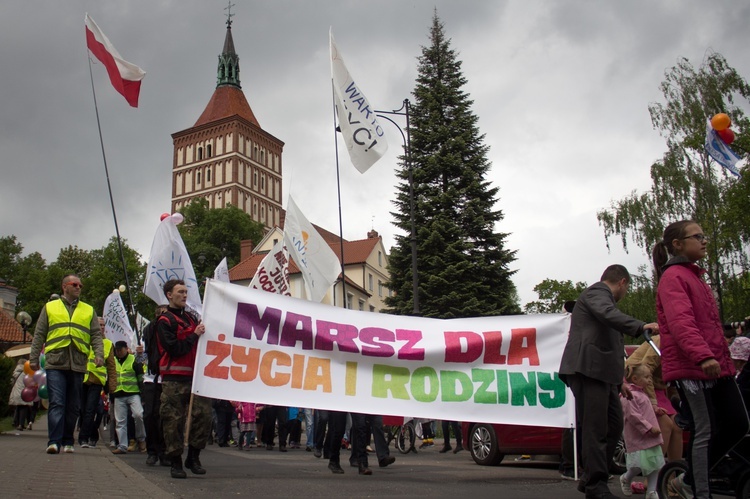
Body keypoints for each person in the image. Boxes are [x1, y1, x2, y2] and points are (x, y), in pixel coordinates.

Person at [653, 220, 750, 499]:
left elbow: (709, 325)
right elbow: (681, 323)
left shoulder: (696, 277)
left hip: (717, 365)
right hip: (694, 367)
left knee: (738, 423)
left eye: (703, 236)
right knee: (704, 430)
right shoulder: (673, 278)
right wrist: (703, 355)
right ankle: (698, 489)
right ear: (678, 245)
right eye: (698, 236)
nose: (704, 241)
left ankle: (689, 478)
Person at [559, 264, 658, 499]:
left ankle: (591, 476)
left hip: (604, 375)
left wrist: (619, 382)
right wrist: (640, 326)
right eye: (627, 288)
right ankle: (595, 486)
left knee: (614, 425)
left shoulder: (606, 305)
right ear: (622, 282)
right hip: (588, 370)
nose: (626, 293)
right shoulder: (597, 294)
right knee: (596, 429)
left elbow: (609, 346)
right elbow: (608, 315)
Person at [29, 274, 104, 454]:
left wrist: (98, 354)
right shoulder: (50, 307)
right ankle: (54, 442)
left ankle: (68, 440)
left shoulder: (88, 310)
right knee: (57, 402)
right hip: (55, 362)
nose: (79, 287)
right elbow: (39, 334)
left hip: (78, 363)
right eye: (74, 284)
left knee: (73, 405)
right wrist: (33, 359)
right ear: (64, 287)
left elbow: (96, 335)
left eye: (80, 285)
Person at [157, 279, 212, 479]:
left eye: (186, 292)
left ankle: (194, 457)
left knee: (204, 416)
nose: (185, 295)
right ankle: (176, 461)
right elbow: (174, 348)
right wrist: (194, 335)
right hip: (173, 379)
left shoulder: (191, 318)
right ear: (169, 295)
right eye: (180, 292)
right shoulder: (165, 321)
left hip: (195, 377)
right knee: (173, 421)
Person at [625, 335, 683, 461]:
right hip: (641, 383)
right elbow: (646, 369)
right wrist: (653, 403)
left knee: (677, 426)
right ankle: (654, 473)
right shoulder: (661, 341)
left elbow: (673, 375)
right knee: (666, 425)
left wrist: (675, 399)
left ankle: (672, 473)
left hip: (658, 386)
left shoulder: (683, 345)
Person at [619, 364, 664, 499]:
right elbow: (633, 415)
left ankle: (651, 491)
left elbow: (644, 411)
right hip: (639, 435)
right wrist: (649, 428)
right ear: (635, 378)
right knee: (638, 465)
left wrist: (656, 410)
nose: (649, 380)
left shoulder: (642, 394)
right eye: (646, 377)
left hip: (650, 435)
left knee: (655, 464)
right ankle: (626, 478)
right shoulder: (629, 395)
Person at [79, 317, 117, 448]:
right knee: (83, 411)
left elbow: (111, 367)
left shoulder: (107, 344)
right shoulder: (85, 339)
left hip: (97, 382)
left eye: (103, 325)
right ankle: (93, 435)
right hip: (83, 380)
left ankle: (83, 439)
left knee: (90, 410)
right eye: (99, 325)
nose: (101, 327)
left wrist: (112, 385)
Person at [140, 305, 169, 466]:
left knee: (164, 417)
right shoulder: (148, 331)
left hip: (167, 378)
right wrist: (139, 354)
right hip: (151, 379)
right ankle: (152, 450)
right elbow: (141, 359)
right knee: (149, 415)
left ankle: (164, 451)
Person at [111, 341, 146, 454]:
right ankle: (122, 446)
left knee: (138, 415)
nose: (119, 352)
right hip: (118, 394)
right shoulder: (113, 361)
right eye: (117, 350)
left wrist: (142, 394)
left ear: (126, 349)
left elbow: (140, 377)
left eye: (120, 350)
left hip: (133, 393)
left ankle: (141, 439)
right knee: (120, 421)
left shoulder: (133, 360)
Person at [9, 359, 33, 431]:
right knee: (24, 407)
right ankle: (21, 424)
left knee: (18, 407)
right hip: (24, 392)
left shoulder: (15, 372)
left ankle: (16, 422)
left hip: (16, 392)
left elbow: (11, 381)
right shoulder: (26, 372)